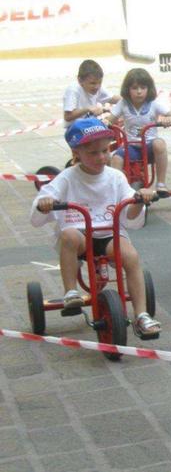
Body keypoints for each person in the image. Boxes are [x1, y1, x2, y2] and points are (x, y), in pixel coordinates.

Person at [29, 118, 161, 338]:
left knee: (131, 255)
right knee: (69, 235)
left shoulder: (116, 177)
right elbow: (39, 210)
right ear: (76, 153)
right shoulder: (67, 178)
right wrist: (44, 205)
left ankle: (141, 315)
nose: (101, 157)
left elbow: (131, 218)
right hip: (80, 236)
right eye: (93, 153)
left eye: (105, 151)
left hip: (109, 234)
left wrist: (139, 200)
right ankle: (71, 292)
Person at [104, 68, 171, 192]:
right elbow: (110, 119)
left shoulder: (154, 104)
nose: (139, 92)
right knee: (116, 159)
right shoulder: (123, 104)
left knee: (160, 143)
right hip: (131, 147)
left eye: (143, 88)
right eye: (134, 88)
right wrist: (106, 122)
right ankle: (117, 190)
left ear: (149, 89)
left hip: (150, 148)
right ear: (127, 89)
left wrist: (169, 120)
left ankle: (161, 183)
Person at [63, 59, 120, 128]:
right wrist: (88, 109)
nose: (97, 87)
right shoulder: (73, 90)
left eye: (100, 83)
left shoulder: (98, 87)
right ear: (80, 80)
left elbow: (113, 98)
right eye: (92, 83)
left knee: (114, 127)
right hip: (74, 129)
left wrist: (130, 99)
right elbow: (67, 116)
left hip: (89, 125)